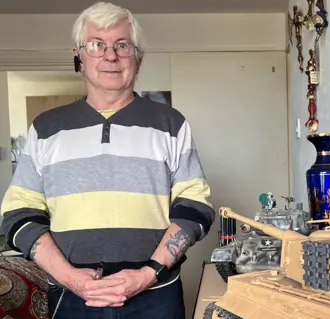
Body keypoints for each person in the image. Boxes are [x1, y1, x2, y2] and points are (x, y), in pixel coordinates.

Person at [0, 2, 215, 318]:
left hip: (155, 296)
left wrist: (146, 274)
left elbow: (195, 208)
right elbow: (18, 214)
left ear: (137, 58)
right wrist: (71, 278)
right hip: (72, 298)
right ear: (79, 57)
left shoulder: (171, 124)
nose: (110, 56)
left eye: (122, 45)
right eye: (96, 45)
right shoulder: (45, 128)